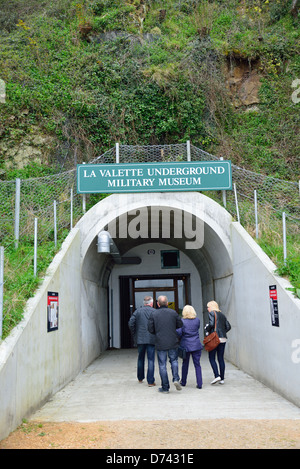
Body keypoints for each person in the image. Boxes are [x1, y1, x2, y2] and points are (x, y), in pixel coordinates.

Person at [148, 295, 183, 394]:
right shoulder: (173, 313)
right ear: (167, 303)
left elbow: (150, 329)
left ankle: (165, 387)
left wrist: (157, 332)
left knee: (162, 365)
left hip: (160, 342)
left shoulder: (154, 314)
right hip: (172, 341)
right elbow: (180, 324)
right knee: (174, 361)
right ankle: (176, 378)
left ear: (158, 304)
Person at [128, 296, 156, 386]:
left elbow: (131, 323)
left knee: (140, 358)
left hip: (140, 338)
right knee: (151, 359)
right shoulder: (154, 311)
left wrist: (134, 334)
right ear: (151, 303)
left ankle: (140, 378)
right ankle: (150, 381)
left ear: (144, 303)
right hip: (151, 338)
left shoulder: (137, 311)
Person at [176, 305, 203, 389]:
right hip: (196, 344)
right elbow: (197, 329)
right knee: (197, 365)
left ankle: (183, 382)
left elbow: (179, 333)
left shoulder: (182, 321)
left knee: (185, 364)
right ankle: (199, 383)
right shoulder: (197, 320)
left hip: (186, 345)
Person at [205, 300, 231, 385]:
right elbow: (228, 326)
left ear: (211, 307)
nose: (207, 309)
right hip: (223, 338)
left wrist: (207, 328)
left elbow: (212, 324)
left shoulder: (212, 313)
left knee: (211, 357)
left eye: (208, 307)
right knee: (220, 358)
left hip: (215, 339)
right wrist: (222, 332)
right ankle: (222, 378)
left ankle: (217, 375)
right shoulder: (222, 315)